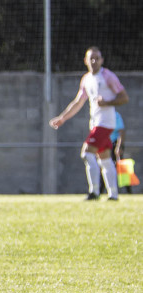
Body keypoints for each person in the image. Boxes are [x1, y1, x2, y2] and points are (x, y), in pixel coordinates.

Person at [49, 47, 129, 201]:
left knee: (86, 153)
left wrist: (107, 102)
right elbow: (78, 102)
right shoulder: (86, 79)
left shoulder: (108, 76)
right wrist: (62, 118)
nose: (94, 61)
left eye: (97, 58)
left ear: (102, 60)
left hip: (105, 123)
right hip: (95, 123)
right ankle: (113, 195)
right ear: (85, 61)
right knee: (104, 158)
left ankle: (94, 192)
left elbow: (124, 97)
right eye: (91, 58)